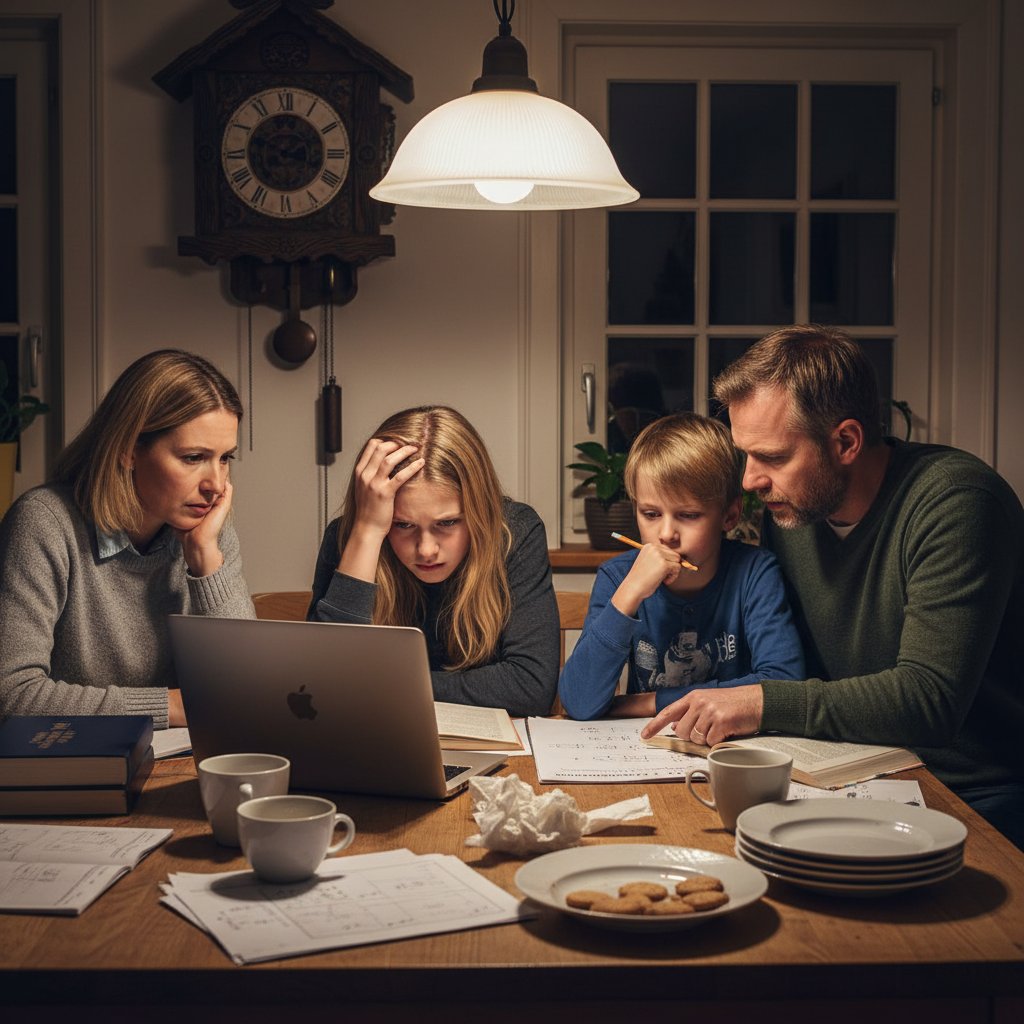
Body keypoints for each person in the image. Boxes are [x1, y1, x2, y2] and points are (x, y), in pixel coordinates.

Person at [642, 325, 1024, 848]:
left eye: (773, 457)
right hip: (845, 772)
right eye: (745, 454)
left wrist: (760, 702)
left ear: (846, 442)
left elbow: (928, 699)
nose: (750, 481)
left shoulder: (957, 502)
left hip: (971, 792)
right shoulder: (793, 510)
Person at [0, 349, 255, 729]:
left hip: (176, 754)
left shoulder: (207, 531)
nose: (216, 485)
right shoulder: (44, 522)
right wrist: (170, 707)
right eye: (193, 458)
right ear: (128, 450)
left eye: (224, 458)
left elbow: (247, 687)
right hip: (69, 760)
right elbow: (12, 694)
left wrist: (206, 560)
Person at [308, 405, 560, 717]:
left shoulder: (514, 532)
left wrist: (377, 684)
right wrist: (368, 531)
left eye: (447, 523)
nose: (426, 550)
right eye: (403, 525)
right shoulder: (352, 538)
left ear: (479, 512)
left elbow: (530, 687)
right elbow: (322, 682)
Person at [559, 413, 805, 721]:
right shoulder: (618, 577)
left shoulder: (755, 572)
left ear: (729, 516)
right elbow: (578, 703)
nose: (666, 534)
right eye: (651, 514)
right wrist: (629, 595)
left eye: (688, 515)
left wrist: (652, 702)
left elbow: (784, 683)